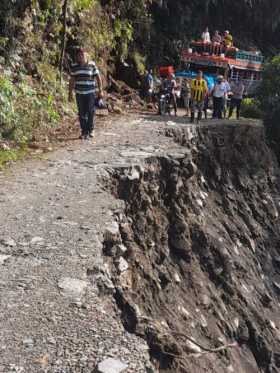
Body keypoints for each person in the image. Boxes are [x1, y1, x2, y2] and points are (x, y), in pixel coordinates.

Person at [69, 48, 103, 139]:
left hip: (90, 93)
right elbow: (72, 80)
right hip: (79, 93)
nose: (80, 57)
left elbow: (98, 78)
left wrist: (100, 90)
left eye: (82, 55)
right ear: (77, 57)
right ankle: (84, 131)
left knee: (90, 111)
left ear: (86, 55)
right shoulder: (74, 66)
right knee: (81, 113)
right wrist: (70, 93)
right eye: (79, 55)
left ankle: (91, 129)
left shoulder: (92, 65)